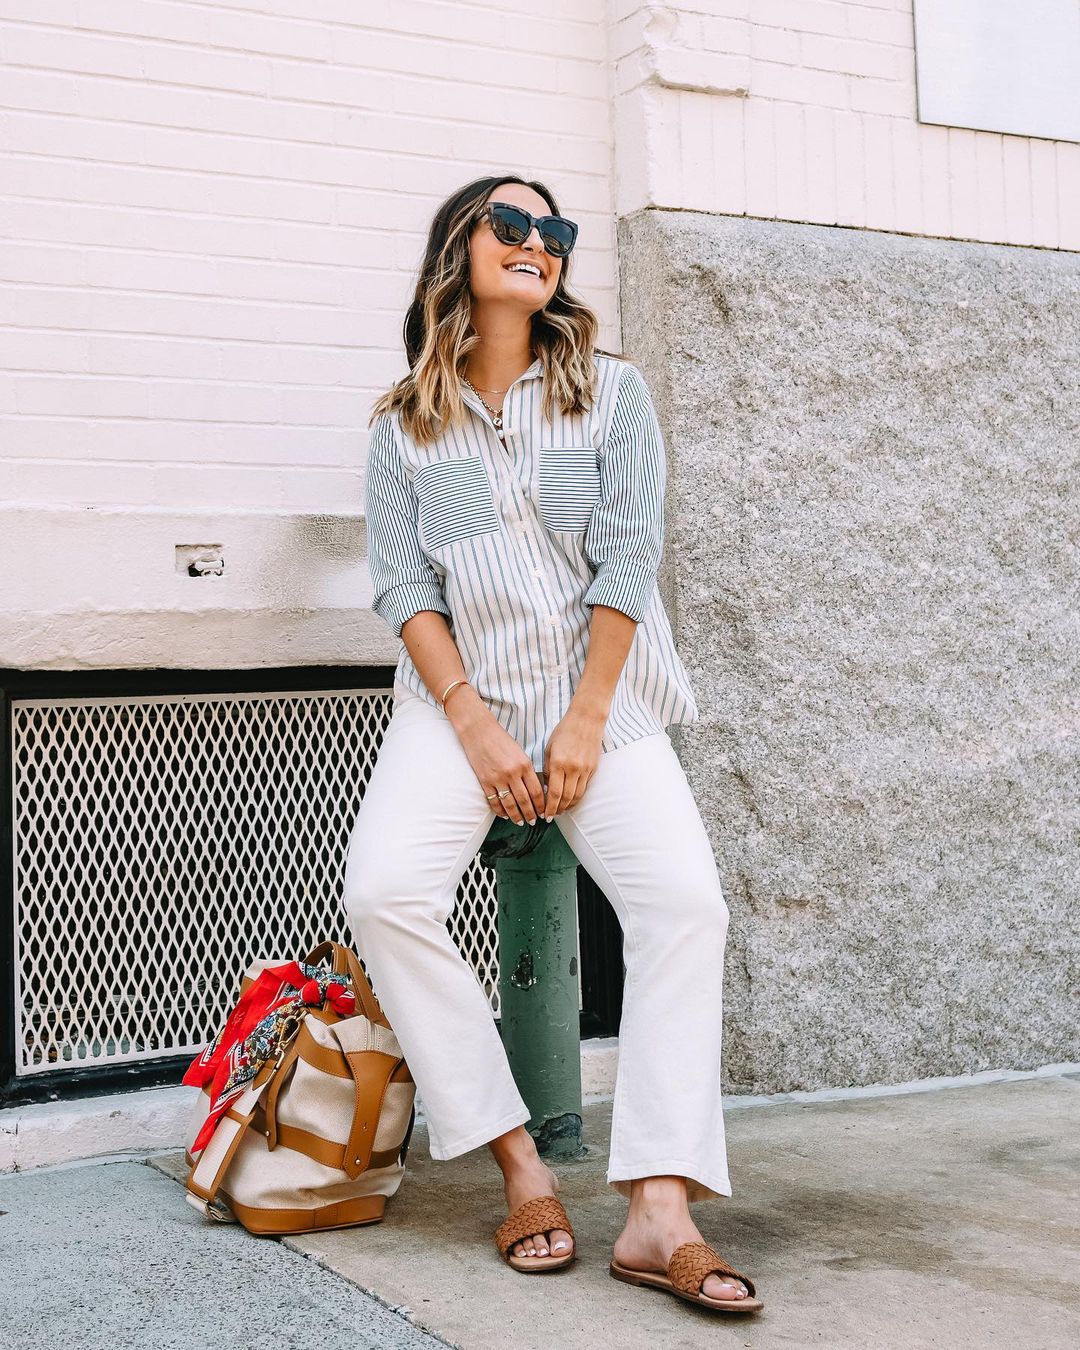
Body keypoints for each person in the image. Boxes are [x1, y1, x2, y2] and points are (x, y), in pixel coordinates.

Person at [341, 174, 763, 1315]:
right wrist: (474, 722)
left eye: (555, 231)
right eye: (513, 225)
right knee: (384, 892)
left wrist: (583, 720)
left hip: (602, 707)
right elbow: (405, 587)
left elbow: (630, 555)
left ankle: (659, 1208)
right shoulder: (404, 425)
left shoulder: (610, 393)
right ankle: (518, 1164)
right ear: (459, 250)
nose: (539, 242)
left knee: (687, 908)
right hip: (457, 709)